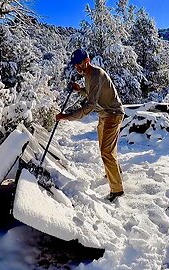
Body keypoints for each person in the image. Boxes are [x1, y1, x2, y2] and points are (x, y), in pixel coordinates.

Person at [57, 49, 125, 202]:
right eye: (75, 65)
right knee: (107, 150)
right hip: (105, 115)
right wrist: (79, 89)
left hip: (112, 115)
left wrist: (67, 117)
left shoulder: (95, 74)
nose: (77, 67)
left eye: (79, 63)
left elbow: (90, 105)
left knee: (106, 152)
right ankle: (113, 172)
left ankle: (117, 190)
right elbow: (92, 93)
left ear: (87, 60)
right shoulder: (89, 75)